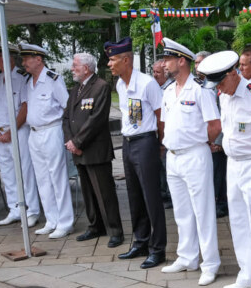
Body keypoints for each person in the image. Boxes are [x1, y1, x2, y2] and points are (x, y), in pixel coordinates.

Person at [198, 50, 251, 288]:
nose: (219, 89)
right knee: (239, 222)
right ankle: (246, 274)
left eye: (220, 83)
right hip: (233, 164)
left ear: (233, 73)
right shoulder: (224, 95)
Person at [159, 38, 222, 285]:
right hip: (173, 157)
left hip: (195, 155)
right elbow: (166, 123)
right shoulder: (168, 91)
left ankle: (210, 263)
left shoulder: (200, 89)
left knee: (203, 211)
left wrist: (200, 142)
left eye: (168, 59)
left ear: (181, 61)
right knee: (182, 211)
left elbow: (214, 124)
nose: (164, 64)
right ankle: (187, 256)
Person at [106, 37, 167, 269]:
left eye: (113, 59)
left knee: (151, 198)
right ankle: (140, 241)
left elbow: (161, 116)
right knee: (134, 195)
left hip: (145, 142)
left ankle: (157, 248)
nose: (109, 64)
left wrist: (160, 144)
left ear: (126, 60)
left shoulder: (147, 83)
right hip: (129, 142)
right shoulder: (120, 85)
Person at [63, 52, 124, 248]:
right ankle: (95, 226)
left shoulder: (100, 87)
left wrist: (78, 142)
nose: (72, 69)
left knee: (105, 193)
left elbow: (96, 120)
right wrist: (70, 142)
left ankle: (115, 230)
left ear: (86, 68)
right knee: (88, 192)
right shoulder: (76, 89)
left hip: (95, 150)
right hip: (78, 150)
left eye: (75, 65)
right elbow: (67, 117)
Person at [20, 43, 74, 239]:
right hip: (34, 133)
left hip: (52, 130)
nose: (23, 63)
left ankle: (65, 222)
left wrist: (69, 134)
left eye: (26, 59)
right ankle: (51, 220)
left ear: (38, 59)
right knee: (42, 179)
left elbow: (67, 107)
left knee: (58, 178)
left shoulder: (53, 79)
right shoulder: (29, 81)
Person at [0, 40, 40, 228]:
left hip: (18, 131)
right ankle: (15, 209)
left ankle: (32, 210)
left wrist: (12, 130)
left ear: (8, 58)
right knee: (7, 173)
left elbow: (25, 107)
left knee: (25, 172)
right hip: (0, 133)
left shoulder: (21, 78)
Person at [196, 50, 228, 218]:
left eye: (200, 63)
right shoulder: (197, 86)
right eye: (195, 63)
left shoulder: (216, 84)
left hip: (217, 138)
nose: (197, 66)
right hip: (205, 139)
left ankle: (221, 203)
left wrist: (218, 140)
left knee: (218, 173)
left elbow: (222, 114)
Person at [152, 58, 173, 208]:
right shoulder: (155, 88)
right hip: (157, 133)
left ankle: (170, 195)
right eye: (153, 72)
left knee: (167, 166)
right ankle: (163, 193)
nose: (155, 75)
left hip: (167, 134)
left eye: (158, 72)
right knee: (160, 166)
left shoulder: (170, 88)